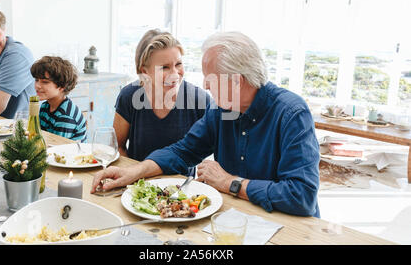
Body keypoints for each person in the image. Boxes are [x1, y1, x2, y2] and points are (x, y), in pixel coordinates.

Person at [91, 31, 320, 217]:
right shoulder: (222, 110)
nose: (206, 87)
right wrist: (131, 173)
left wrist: (230, 183)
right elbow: (183, 151)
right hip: (235, 222)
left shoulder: (291, 113)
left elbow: (301, 196)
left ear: (235, 82)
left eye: (210, 78)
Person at [113, 29, 210, 176]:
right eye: (164, 67)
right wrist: (130, 177)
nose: (175, 74)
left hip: (182, 191)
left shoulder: (200, 99)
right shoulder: (129, 96)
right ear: (144, 71)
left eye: (178, 64)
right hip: (138, 185)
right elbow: (117, 146)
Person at [30, 56, 87, 142]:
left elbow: (56, 148)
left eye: (45, 82)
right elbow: (39, 137)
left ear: (61, 86)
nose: (37, 85)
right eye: (36, 80)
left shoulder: (65, 116)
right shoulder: (45, 106)